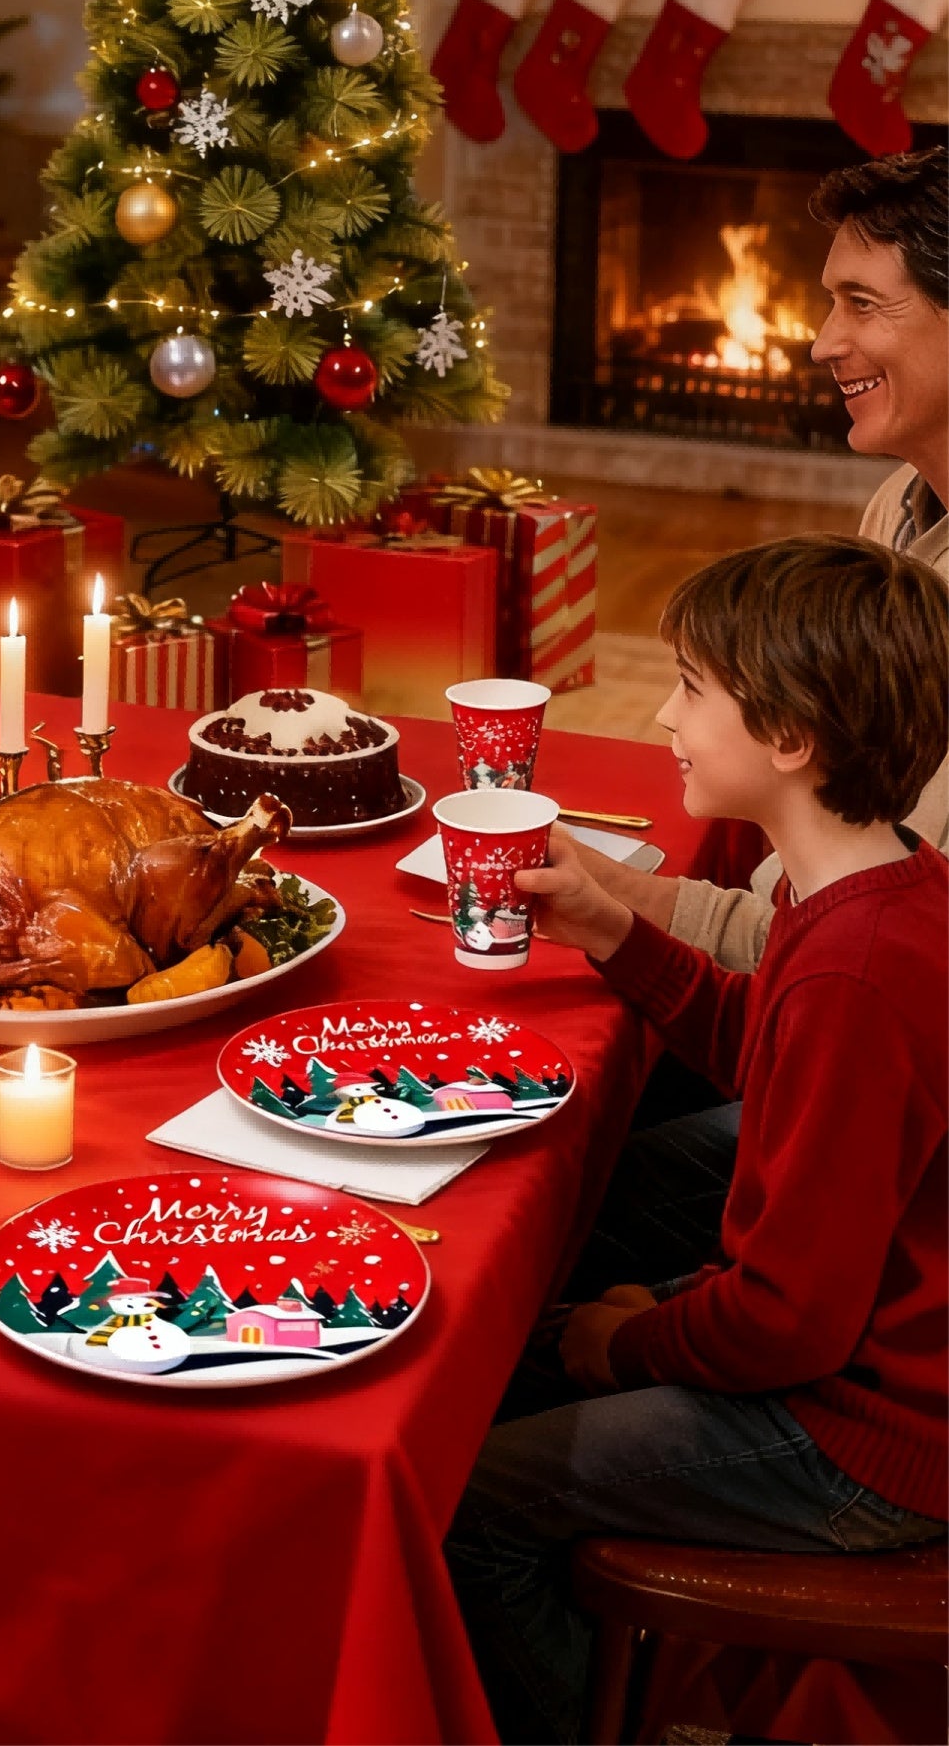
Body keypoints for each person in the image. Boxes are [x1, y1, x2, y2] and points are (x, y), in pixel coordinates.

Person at [445, 535, 947, 1744]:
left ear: (789, 740)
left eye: (690, 688)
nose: (662, 713)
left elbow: (789, 1317)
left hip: (869, 1432)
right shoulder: (869, 885)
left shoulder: (858, 972)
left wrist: (627, 1346)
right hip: (851, 1355)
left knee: (467, 1508)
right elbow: (761, 1048)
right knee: (524, 1330)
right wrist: (612, 928)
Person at [576, 144, 948, 970]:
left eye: (860, 303)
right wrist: (613, 895)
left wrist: (638, 908)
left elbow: (876, 940)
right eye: (827, 304)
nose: (820, 343)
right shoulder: (896, 504)